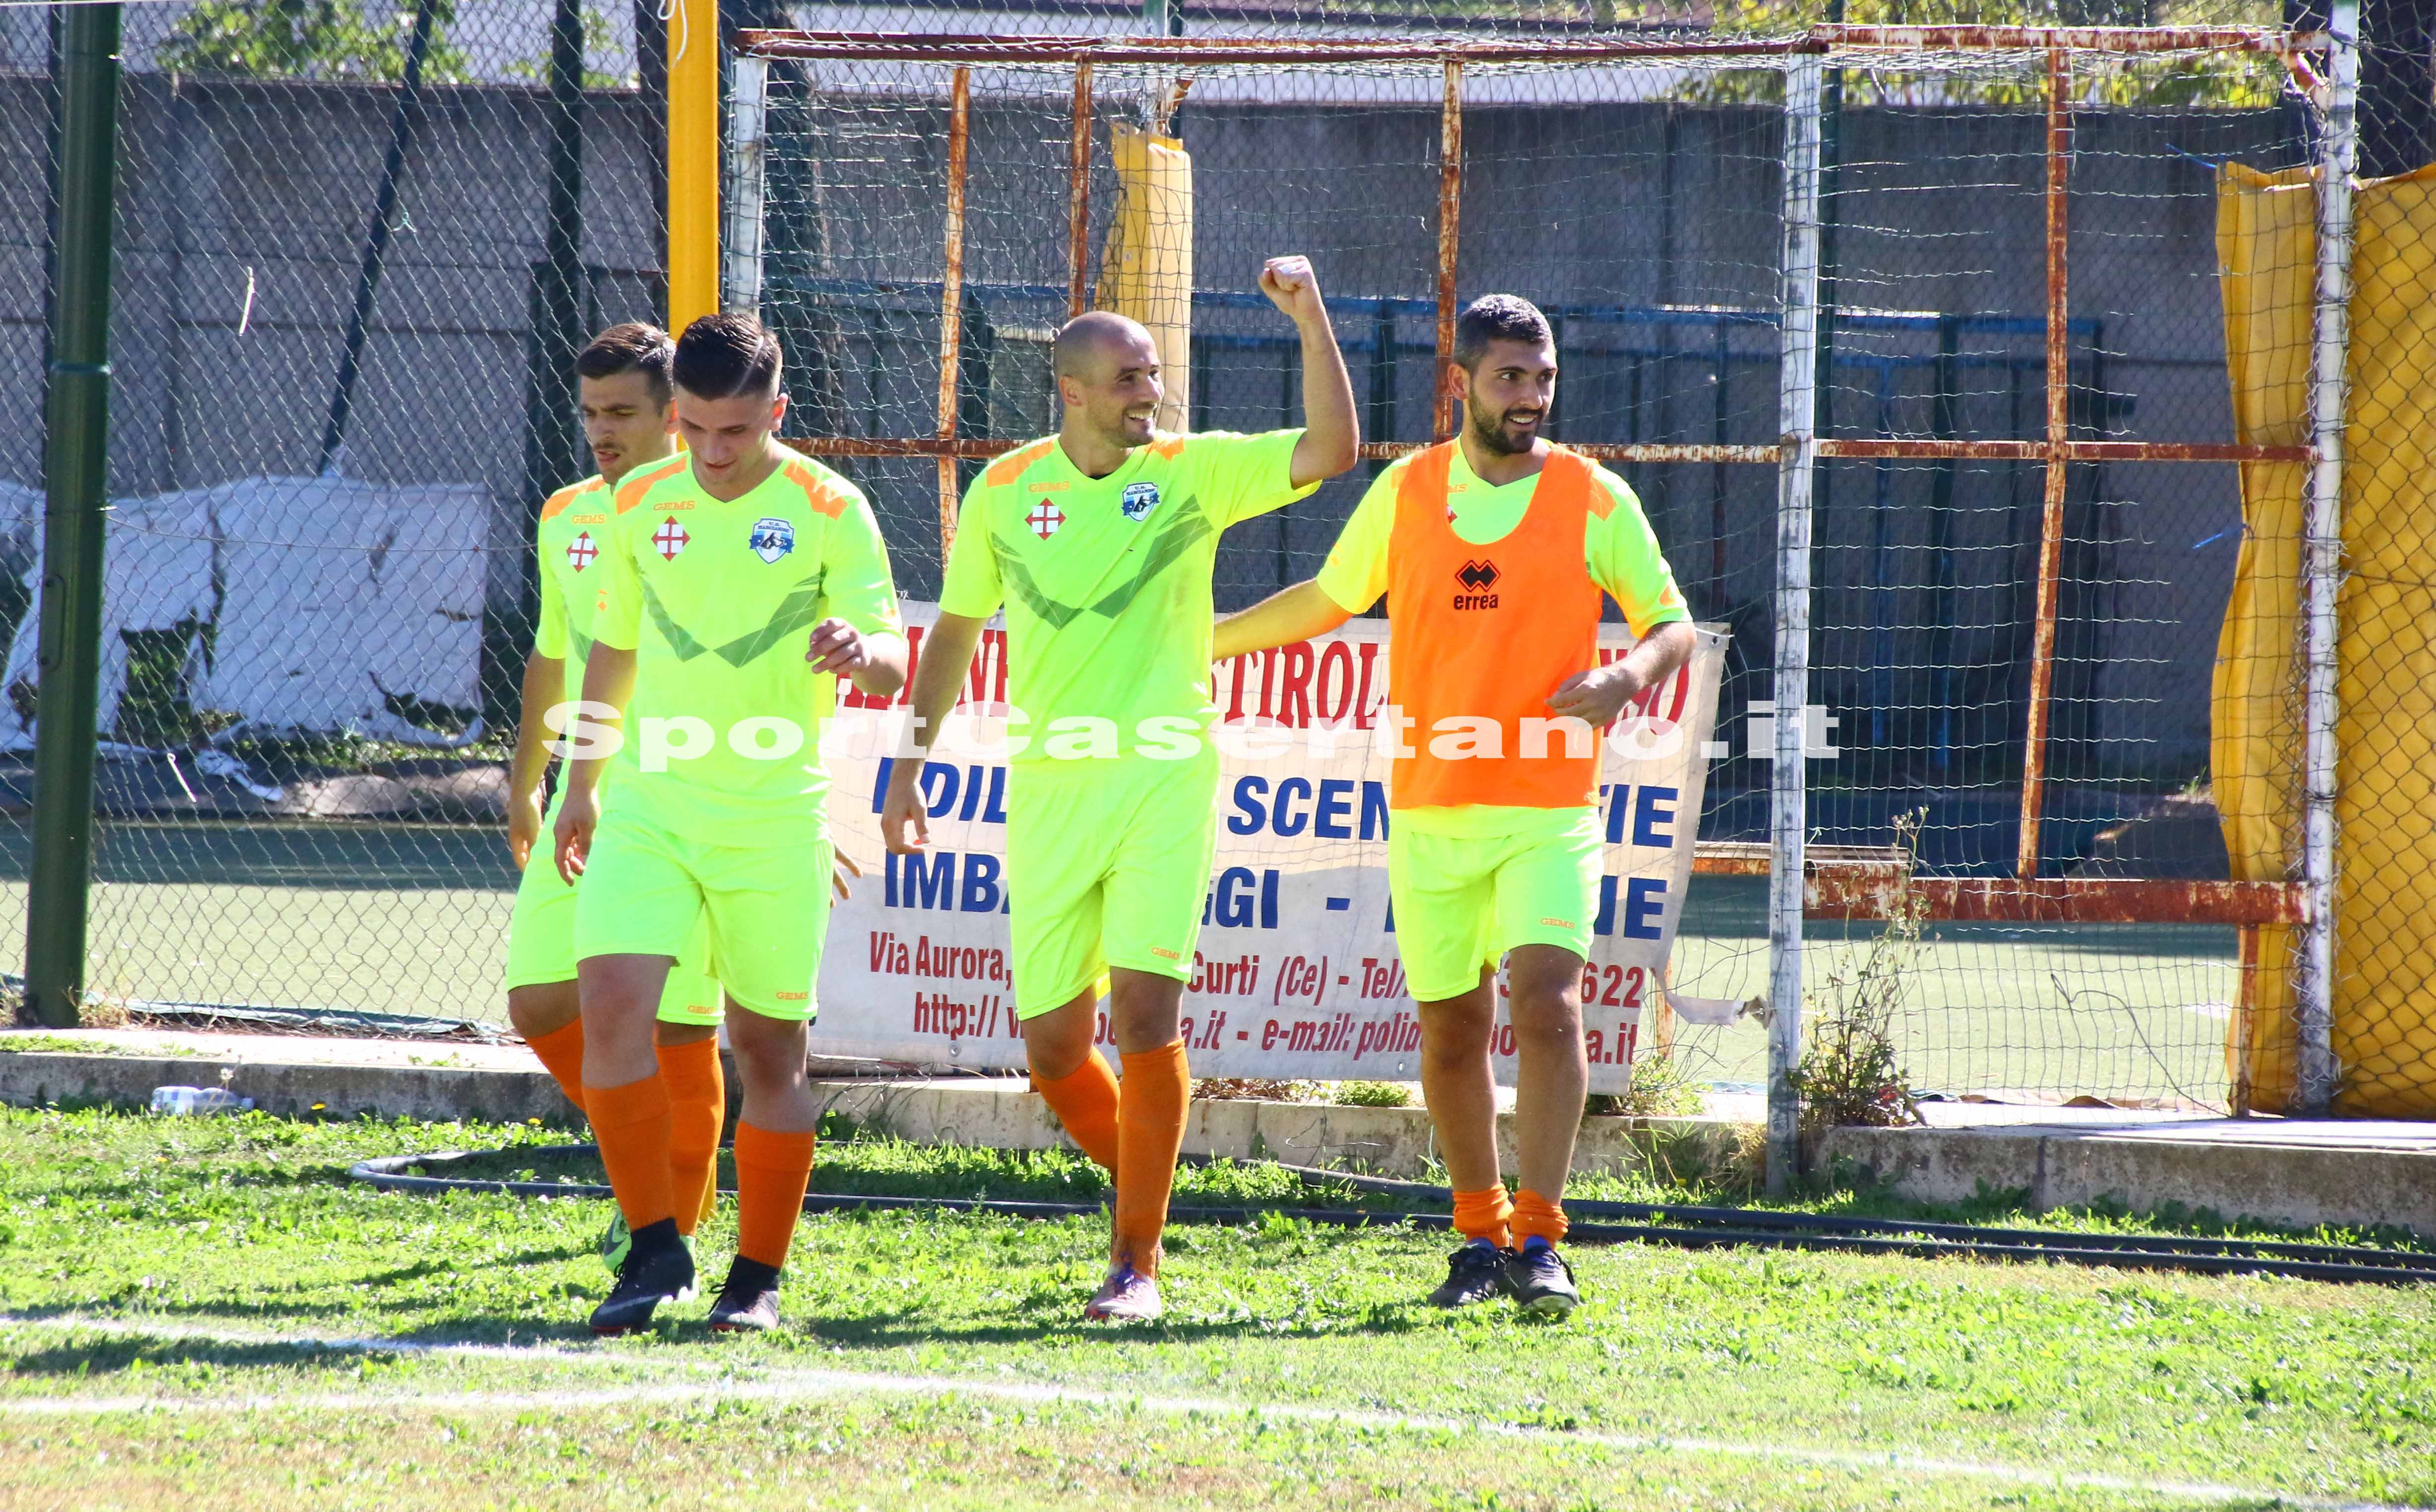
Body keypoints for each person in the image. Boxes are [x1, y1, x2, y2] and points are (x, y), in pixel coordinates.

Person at [879, 257, 1359, 1322]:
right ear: (1075, 392)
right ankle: (1149, 1186)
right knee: (1053, 1049)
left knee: (1146, 1015)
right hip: (1050, 789)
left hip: (1162, 777)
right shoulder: (1005, 489)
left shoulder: (1193, 471)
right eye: (1132, 378)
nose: (1152, 393)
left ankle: (1134, 1261)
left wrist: (1308, 314)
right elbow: (956, 631)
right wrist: (906, 764)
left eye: (1154, 376)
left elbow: (1333, 451)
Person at [1215, 294, 1695, 1318]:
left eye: (1543, 377)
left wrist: (1628, 677)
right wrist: (1202, 643)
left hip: (1546, 805)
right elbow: (1327, 601)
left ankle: (1542, 1238)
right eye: (1510, 377)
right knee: (1449, 1030)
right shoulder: (1405, 489)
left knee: (1549, 1008)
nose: (1530, 396)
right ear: (1463, 382)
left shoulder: (1590, 494)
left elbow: (1671, 624)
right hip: (1431, 811)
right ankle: (1475, 1237)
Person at [554, 312, 908, 1334]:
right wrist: (584, 782)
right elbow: (613, 650)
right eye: (699, 429)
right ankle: (654, 1248)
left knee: (766, 1052)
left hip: (770, 814)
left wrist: (860, 648)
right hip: (650, 805)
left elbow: (893, 652)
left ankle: (754, 1278)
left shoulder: (829, 506)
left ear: (777, 415)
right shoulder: (638, 504)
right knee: (611, 1013)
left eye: (739, 433)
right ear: (677, 415)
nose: (715, 452)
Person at [502, 323, 728, 1262]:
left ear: (674, 415)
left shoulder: (713, 507)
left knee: (678, 1022)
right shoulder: (566, 514)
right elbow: (554, 655)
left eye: (623, 413)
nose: (602, 430)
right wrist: (526, 783)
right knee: (540, 1003)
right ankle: (656, 1162)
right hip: (587, 792)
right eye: (591, 412)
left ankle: (672, 1211)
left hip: (697, 795)